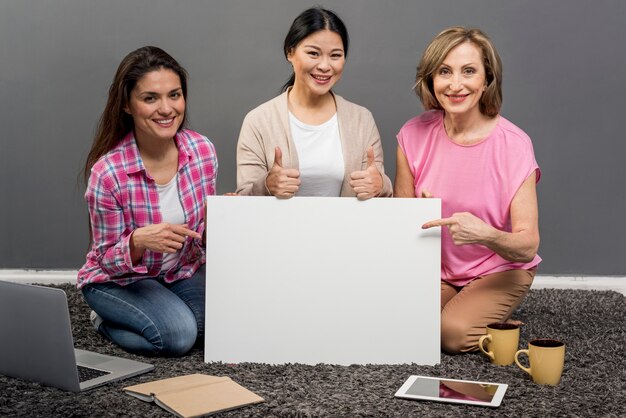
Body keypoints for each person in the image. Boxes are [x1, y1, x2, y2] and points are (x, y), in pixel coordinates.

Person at [394, 27, 541, 353]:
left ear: (487, 79)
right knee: (391, 320)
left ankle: (483, 317)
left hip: (499, 268)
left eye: (469, 71)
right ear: (431, 79)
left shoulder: (514, 145)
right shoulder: (412, 134)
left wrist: (485, 234)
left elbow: (527, 246)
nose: (455, 84)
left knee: (452, 334)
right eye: (444, 71)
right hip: (438, 269)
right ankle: (472, 310)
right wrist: (409, 213)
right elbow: (398, 226)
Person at [77, 46, 218, 356]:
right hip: (118, 280)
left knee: (225, 323)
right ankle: (103, 320)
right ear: (127, 105)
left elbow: (203, 238)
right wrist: (138, 241)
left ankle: (164, 310)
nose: (166, 109)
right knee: (178, 337)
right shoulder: (108, 173)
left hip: (179, 271)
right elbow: (106, 260)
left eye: (174, 95)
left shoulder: (202, 151)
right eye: (150, 98)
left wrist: (224, 217)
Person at [236, 7, 392, 199]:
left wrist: (380, 185)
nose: (325, 66)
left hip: (347, 229)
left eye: (335, 55)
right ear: (290, 52)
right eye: (313, 53)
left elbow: (381, 199)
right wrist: (267, 185)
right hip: (278, 229)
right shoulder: (259, 121)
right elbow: (241, 201)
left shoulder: (361, 120)